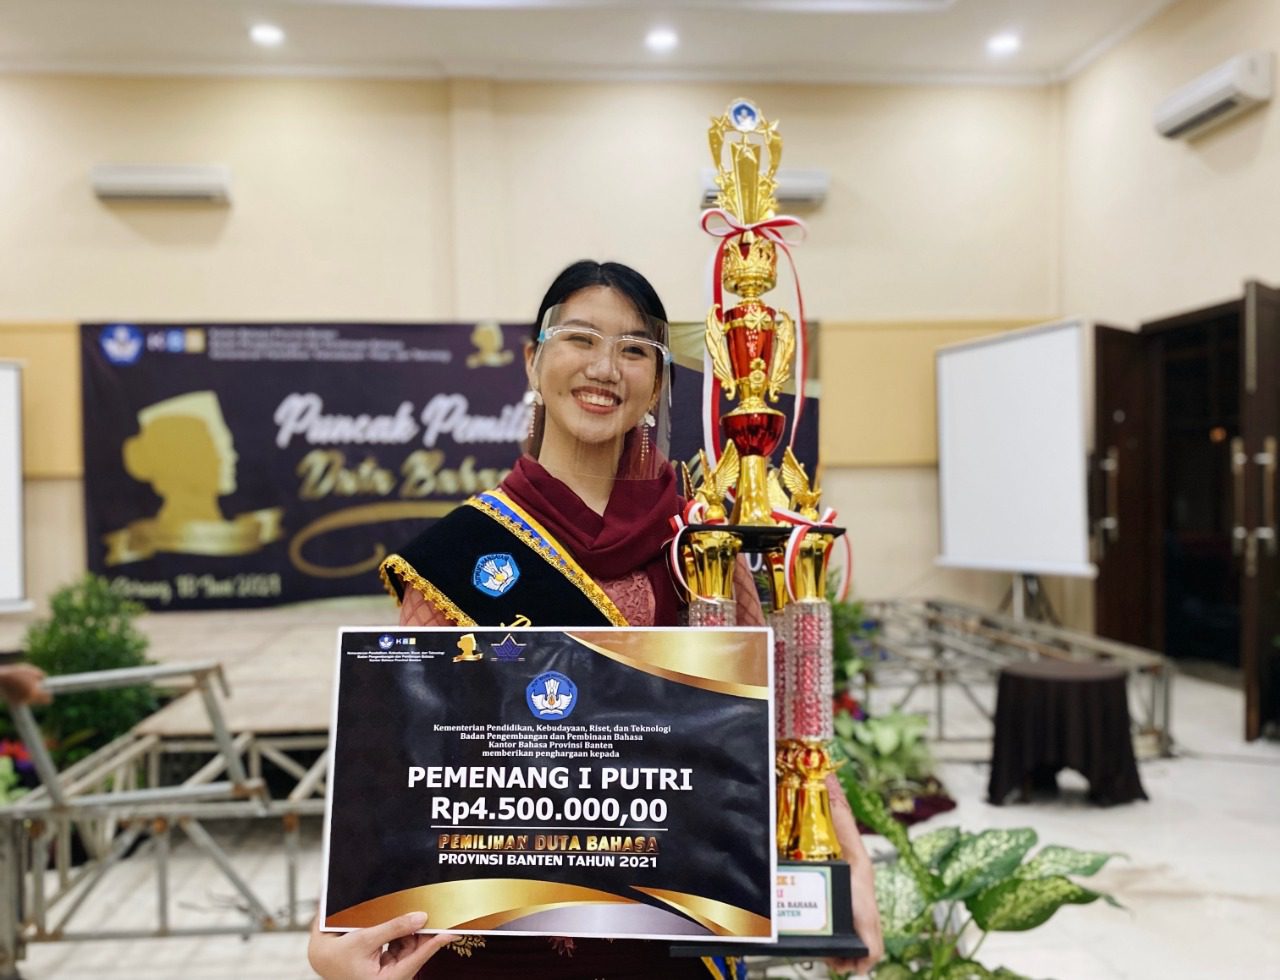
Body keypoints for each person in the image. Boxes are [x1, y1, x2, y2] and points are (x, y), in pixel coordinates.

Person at [308, 260, 883, 978]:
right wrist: (338, 924)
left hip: (672, 932)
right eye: (580, 338)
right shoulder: (458, 555)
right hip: (501, 939)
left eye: (635, 349)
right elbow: (398, 760)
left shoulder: (699, 541)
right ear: (533, 359)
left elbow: (775, 723)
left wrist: (847, 863)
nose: (605, 368)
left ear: (659, 380)